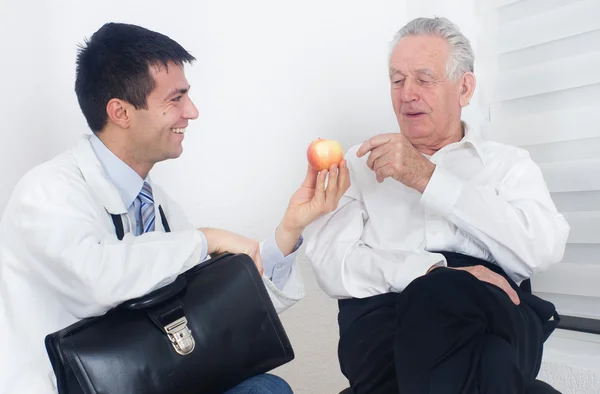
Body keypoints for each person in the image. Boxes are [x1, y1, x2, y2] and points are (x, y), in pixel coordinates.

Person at [0, 23, 350, 394]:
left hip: (149, 382)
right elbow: (98, 279)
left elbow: (211, 313)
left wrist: (289, 231)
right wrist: (204, 240)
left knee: (264, 389)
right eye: (175, 99)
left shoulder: (156, 205)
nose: (192, 112)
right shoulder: (47, 191)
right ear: (120, 112)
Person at [306, 17, 569, 394]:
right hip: (386, 319)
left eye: (423, 78)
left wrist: (428, 178)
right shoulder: (359, 164)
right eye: (397, 80)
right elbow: (333, 264)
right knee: (493, 362)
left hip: (496, 311)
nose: (407, 93)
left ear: (464, 88)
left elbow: (543, 249)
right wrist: (431, 270)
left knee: (473, 334)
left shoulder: (509, 165)